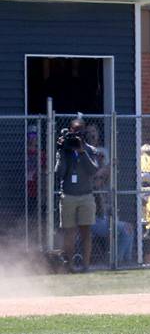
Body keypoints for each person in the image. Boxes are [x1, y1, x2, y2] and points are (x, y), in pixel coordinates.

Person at [55, 117, 100, 273]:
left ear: (84, 132)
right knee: (69, 232)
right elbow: (59, 173)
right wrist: (62, 151)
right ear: (70, 130)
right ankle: (70, 265)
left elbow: (93, 170)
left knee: (86, 231)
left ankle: (86, 266)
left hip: (86, 195)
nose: (77, 134)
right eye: (74, 131)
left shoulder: (90, 150)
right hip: (68, 195)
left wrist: (81, 152)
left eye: (80, 131)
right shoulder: (64, 149)